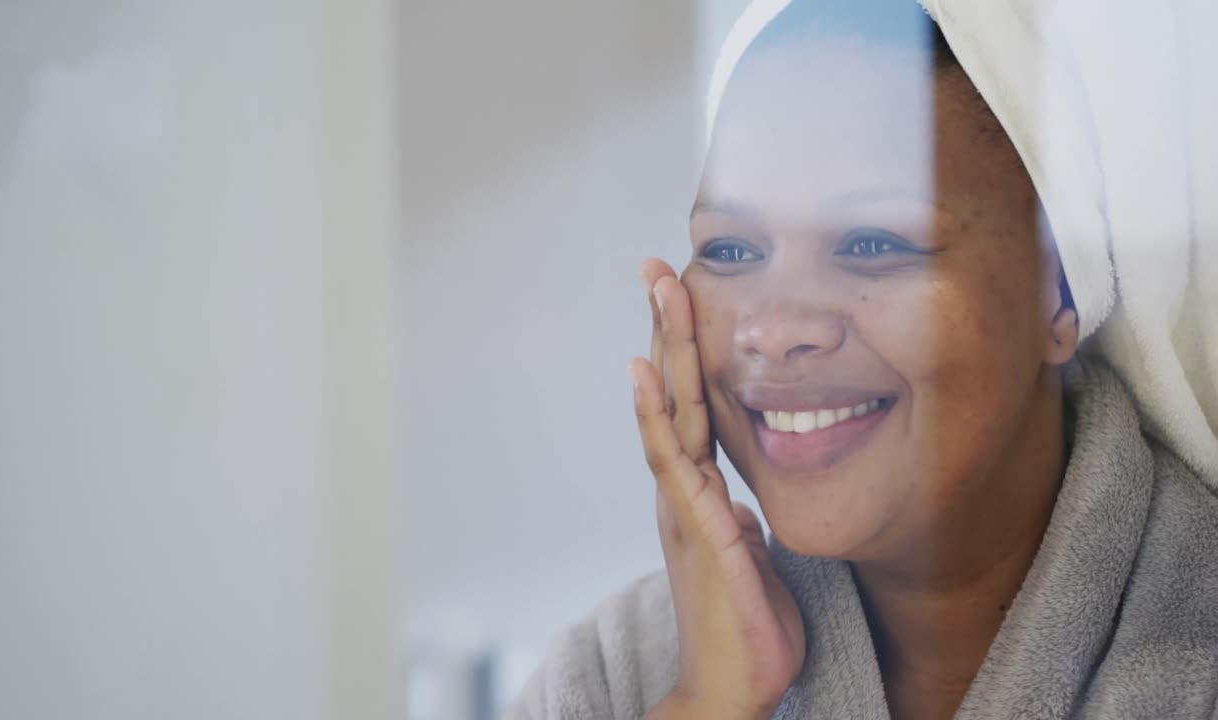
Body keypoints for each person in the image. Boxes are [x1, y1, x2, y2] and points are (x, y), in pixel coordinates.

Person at [509, 1, 1218, 718]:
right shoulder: (609, 679)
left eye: (875, 243)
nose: (777, 329)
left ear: (1058, 295)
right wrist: (711, 702)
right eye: (730, 249)